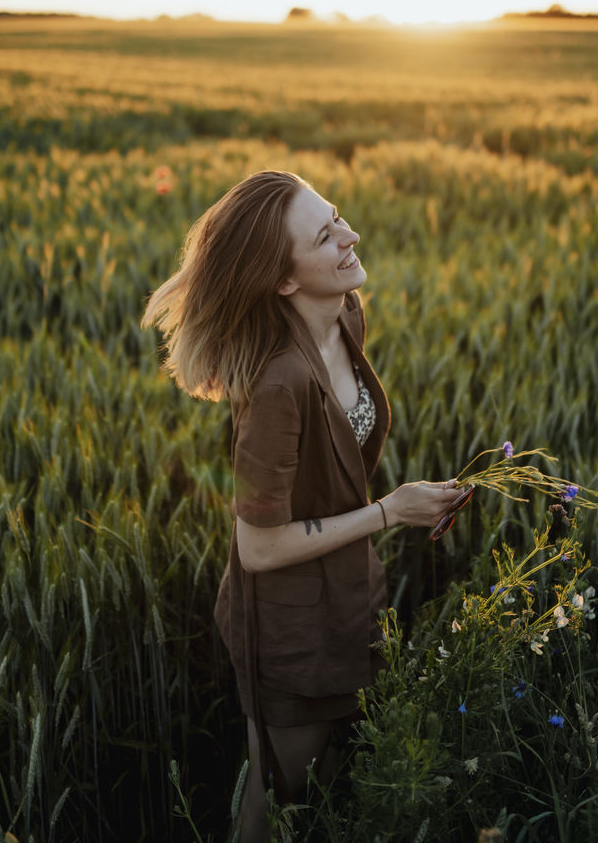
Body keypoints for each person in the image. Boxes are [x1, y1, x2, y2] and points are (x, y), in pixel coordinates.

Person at [142, 170, 466, 843]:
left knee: (324, 787)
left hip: (349, 599)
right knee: (275, 801)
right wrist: (390, 512)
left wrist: (411, 505)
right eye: (326, 236)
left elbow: (339, 463)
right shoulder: (277, 386)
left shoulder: (344, 315)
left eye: (338, 216)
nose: (352, 236)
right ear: (285, 281)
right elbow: (257, 547)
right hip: (289, 632)